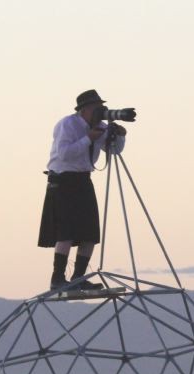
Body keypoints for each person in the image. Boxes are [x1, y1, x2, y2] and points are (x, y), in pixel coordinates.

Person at [38, 89, 127, 292]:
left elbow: (114, 150)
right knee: (66, 232)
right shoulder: (67, 124)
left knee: (90, 233)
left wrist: (120, 136)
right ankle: (58, 279)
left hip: (83, 180)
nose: (100, 111)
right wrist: (88, 138)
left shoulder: (101, 126)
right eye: (96, 108)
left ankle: (78, 278)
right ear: (84, 109)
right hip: (62, 181)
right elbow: (64, 154)